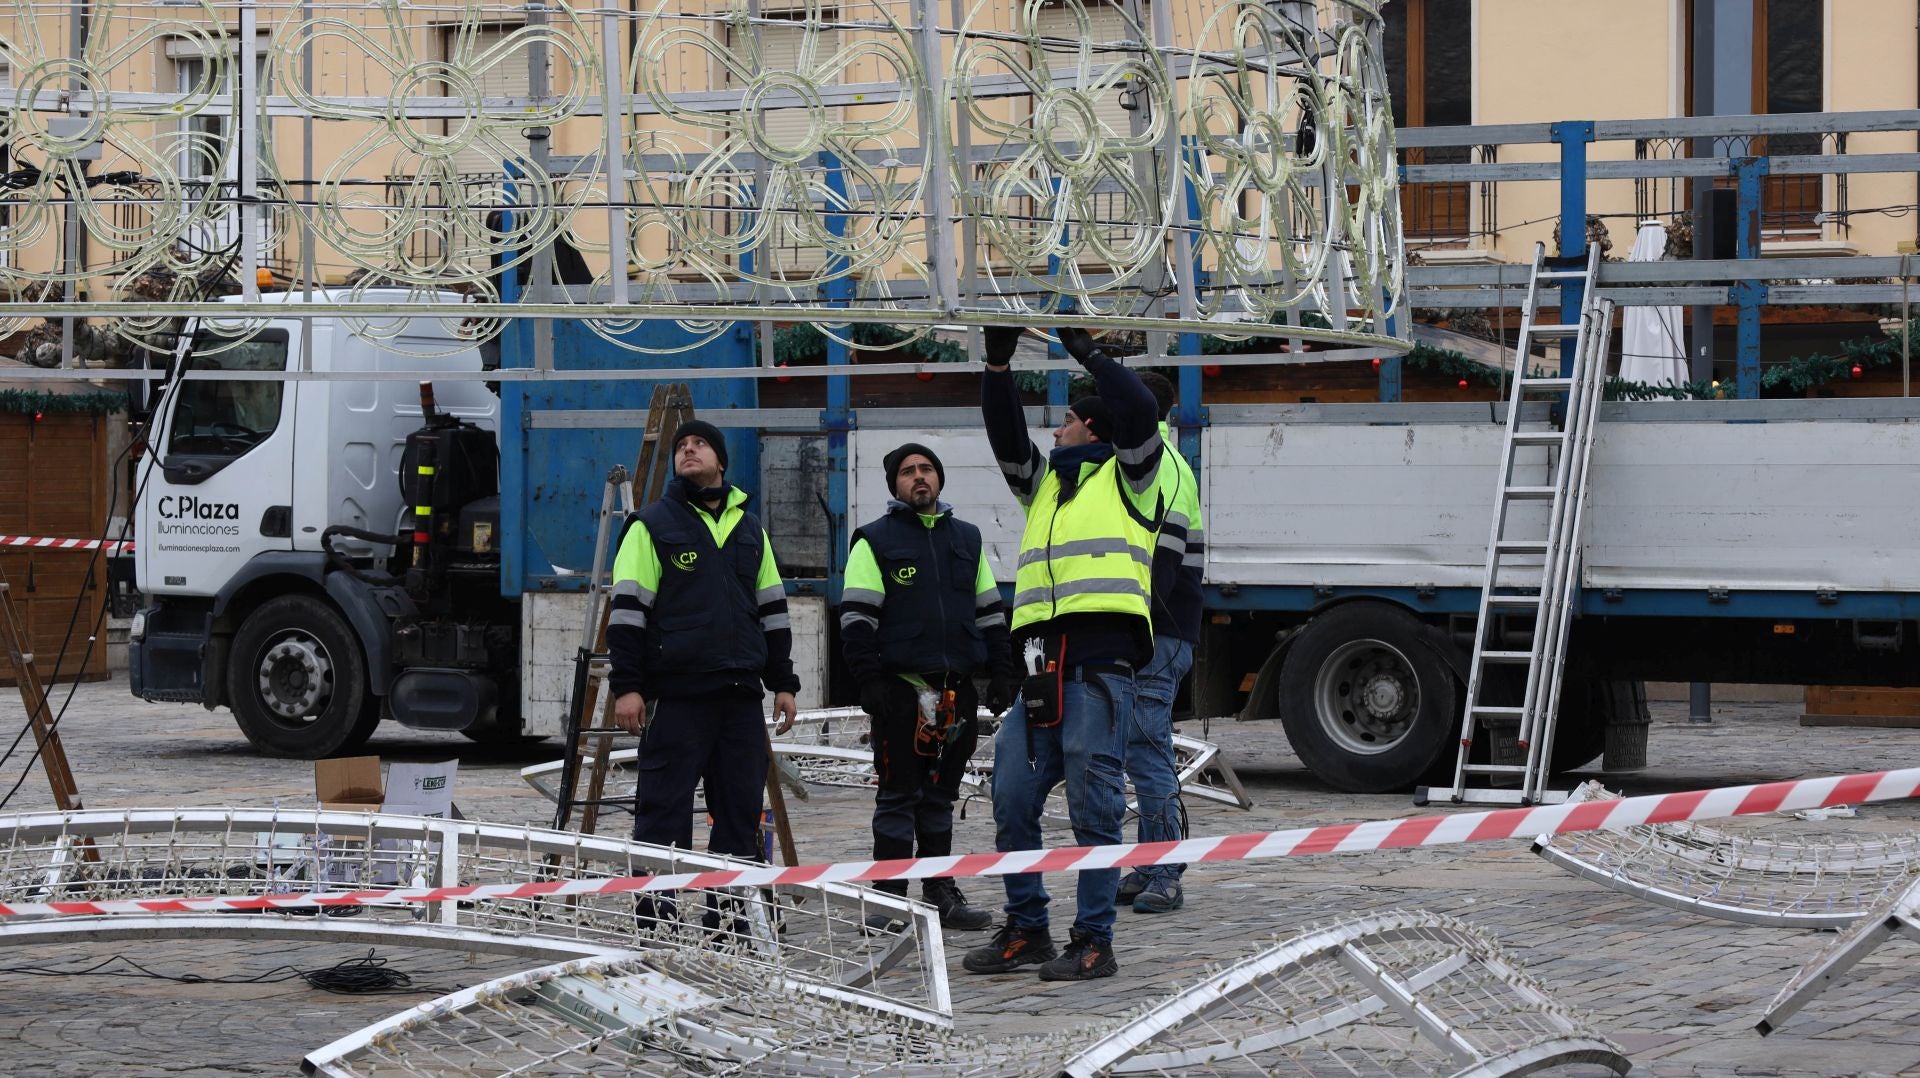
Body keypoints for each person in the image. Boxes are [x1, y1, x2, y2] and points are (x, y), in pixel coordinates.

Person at [962, 325, 1164, 982]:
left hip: (1100, 667)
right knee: (1012, 798)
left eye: (1067, 421)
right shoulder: (1046, 483)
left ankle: (1094, 941)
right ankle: (1027, 928)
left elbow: (1137, 408)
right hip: (1039, 670)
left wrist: (1087, 351)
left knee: (1093, 806)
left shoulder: (1133, 475)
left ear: (1092, 428)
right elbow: (1005, 437)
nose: (1054, 432)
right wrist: (996, 365)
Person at [607, 420, 800, 926]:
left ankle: (730, 925)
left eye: (699, 444)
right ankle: (658, 923)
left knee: (739, 816)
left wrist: (784, 682)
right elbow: (627, 614)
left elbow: (774, 612)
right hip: (676, 699)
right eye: (681, 447)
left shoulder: (750, 528)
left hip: (739, 700)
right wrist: (627, 688)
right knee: (662, 814)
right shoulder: (649, 526)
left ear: (721, 460)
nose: (688, 450)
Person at [841, 442, 1017, 934]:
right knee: (898, 796)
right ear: (893, 484)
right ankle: (891, 899)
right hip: (900, 693)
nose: (919, 477)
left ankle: (940, 892)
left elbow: (989, 613)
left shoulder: (968, 539)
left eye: (926, 470)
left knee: (940, 795)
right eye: (907, 472)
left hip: (957, 692)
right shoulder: (873, 541)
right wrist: (869, 680)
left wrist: (1003, 671)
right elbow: (856, 619)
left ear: (939, 479)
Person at [1115, 371, 1205, 915]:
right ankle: (1152, 861)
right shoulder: (1165, 464)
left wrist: (1136, 626)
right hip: (1162, 628)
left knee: (1147, 753)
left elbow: (1161, 567)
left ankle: (1164, 867)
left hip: (1159, 630)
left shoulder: (1162, 470)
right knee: (1140, 749)